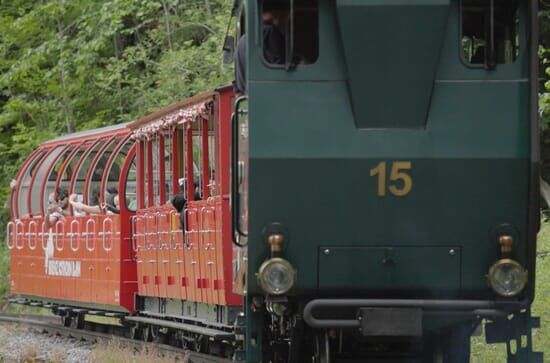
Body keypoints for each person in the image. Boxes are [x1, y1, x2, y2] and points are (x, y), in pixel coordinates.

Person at [234, 1, 288, 94]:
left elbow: (238, 84)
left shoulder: (243, 40)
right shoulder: (272, 32)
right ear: (276, 14)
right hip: (273, 94)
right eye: (282, 15)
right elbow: (280, 67)